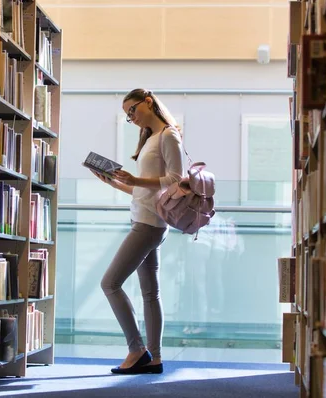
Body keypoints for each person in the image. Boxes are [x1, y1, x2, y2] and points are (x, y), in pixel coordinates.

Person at [90, 88, 184, 374]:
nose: (131, 117)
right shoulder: (150, 140)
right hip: (144, 218)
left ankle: (136, 349)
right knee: (150, 293)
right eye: (127, 115)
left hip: (150, 224)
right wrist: (115, 183)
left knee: (110, 283)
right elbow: (142, 188)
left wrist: (136, 178)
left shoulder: (168, 135)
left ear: (148, 101)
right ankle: (153, 358)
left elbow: (176, 180)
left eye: (132, 110)